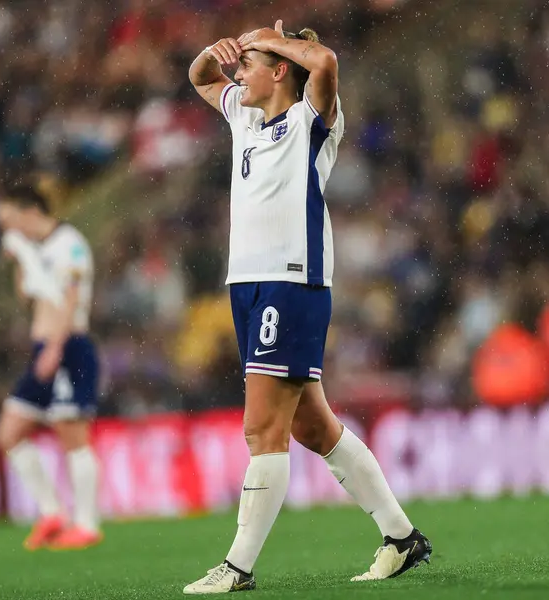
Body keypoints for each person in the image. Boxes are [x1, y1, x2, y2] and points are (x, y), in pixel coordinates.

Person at [184, 20, 432, 594]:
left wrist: (263, 40)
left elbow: (324, 64)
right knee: (313, 426)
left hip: (289, 281)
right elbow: (198, 75)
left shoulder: (310, 121)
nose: (237, 72)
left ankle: (238, 566)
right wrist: (218, 49)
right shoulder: (243, 115)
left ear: (277, 71)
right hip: (245, 283)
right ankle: (401, 538)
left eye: (248, 64)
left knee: (260, 429)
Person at [0, 183, 102, 551]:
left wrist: (56, 347)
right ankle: (52, 512)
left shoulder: (69, 243)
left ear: (30, 212)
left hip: (68, 346)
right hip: (45, 347)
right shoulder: (35, 250)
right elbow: (28, 298)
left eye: (9, 221)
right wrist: (21, 265)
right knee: (8, 433)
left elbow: (71, 296)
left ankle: (86, 524)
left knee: (72, 434)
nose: (8, 230)